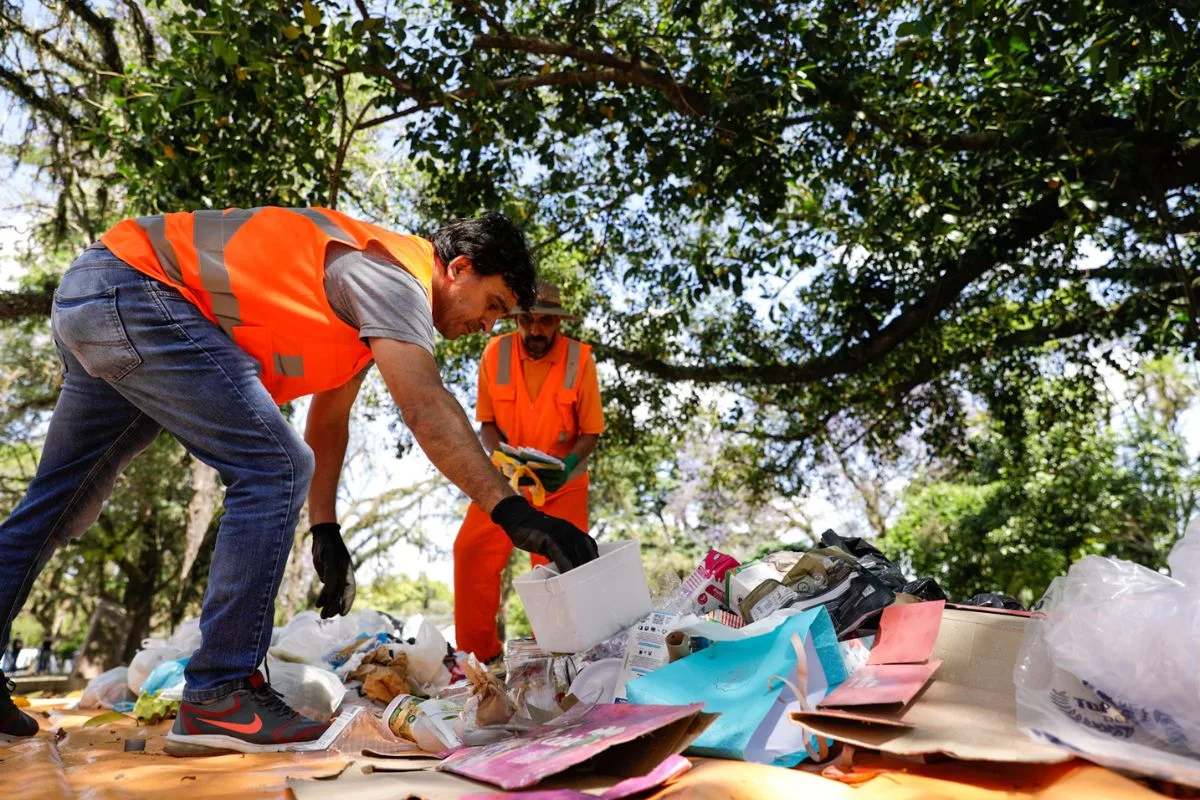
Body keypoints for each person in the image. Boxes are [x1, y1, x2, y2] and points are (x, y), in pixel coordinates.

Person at [0, 208, 598, 752]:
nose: (486, 325)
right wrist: (512, 512)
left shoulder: (369, 310)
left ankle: (218, 691)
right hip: (137, 292)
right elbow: (424, 404)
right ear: (459, 268)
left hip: (99, 292)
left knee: (57, 506)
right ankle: (221, 694)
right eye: (491, 305)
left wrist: (326, 531)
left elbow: (329, 421)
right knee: (273, 465)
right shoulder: (392, 275)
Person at [453, 284, 604, 662]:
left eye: (546, 321)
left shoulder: (580, 359)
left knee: (560, 565)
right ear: (517, 320)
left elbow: (591, 432)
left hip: (561, 484)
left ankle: (566, 657)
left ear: (558, 323)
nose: (535, 331)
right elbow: (486, 424)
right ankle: (477, 659)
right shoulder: (494, 352)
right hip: (506, 481)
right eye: (527, 320)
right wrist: (505, 456)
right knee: (470, 551)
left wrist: (568, 467)